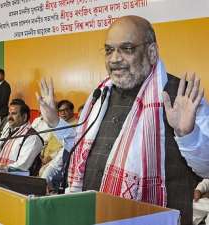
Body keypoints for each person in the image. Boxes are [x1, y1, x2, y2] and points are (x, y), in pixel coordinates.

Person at [36, 15, 209, 225]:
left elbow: (206, 168)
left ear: (151, 52)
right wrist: (56, 123)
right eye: (109, 50)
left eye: (126, 48)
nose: (114, 58)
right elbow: (82, 150)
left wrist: (188, 135)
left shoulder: (181, 97)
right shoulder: (100, 95)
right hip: (94, 217)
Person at [0, 99, 43, 174]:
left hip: (16, 180)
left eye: (14, 113)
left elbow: (22, 166)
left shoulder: (32, 137)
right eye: (9, 113)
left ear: (24, 117)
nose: (9, 117)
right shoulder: (8, 131)